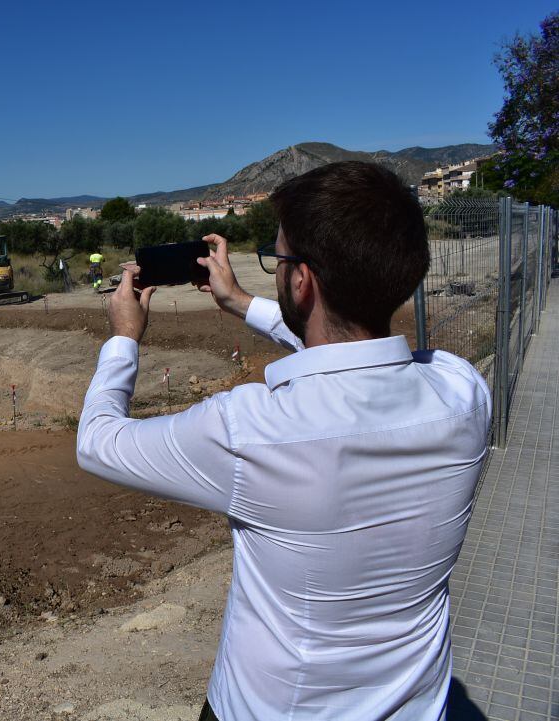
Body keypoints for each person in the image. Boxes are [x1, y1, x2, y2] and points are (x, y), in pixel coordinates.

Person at [76, 161, 490, 721]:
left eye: (280, 259)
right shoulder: (462, 391)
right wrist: (239, 301)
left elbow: (99, 442)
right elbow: (346, 358)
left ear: (301, 280)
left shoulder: (249, 431)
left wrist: (124, 338)